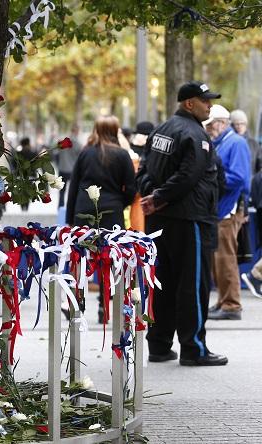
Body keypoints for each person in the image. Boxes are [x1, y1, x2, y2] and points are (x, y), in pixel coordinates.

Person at [136, 81, 227, 366]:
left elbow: (143, 169)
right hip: (190, 219)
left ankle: (159, 345)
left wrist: (153, 196)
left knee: (162, 283)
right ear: (189, 103)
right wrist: (161, 196)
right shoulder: (195, 135)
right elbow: (189, 176)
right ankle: (194, 348)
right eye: (205, 101)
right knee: (193, 285)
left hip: (160, 221)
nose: (209, 106)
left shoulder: (159, 130)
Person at [65, 116, 136, 323]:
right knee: (109, 260)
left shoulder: (85, 153)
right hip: (112, 212)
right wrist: (119, 203)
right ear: (115, 130)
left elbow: (74, 186)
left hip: (83, 210)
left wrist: (71, 217)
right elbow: (131, 188)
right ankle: (105, 305)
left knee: (80, 257)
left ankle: (76, 303)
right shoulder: (122, 155)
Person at [203, 105, 250, 321]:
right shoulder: (225, 142)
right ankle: (225, 300)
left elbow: (239, 177)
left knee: (225, 257)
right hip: (223, 208)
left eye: (211, 125)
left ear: (221, 123)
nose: (210, 129)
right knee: (220, 258)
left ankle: (231, 304)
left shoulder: (235, 143)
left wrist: (214, 180)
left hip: (229, 209)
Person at [53, 126, 82, 207]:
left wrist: (58, 165)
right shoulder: (78, 143)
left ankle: (60, 207)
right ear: (77, 131)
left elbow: (55, 154)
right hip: (73, 170)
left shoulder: (62, 142)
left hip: (62, 168)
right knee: (73, 191)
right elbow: (80, 157)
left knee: (62, 191)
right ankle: (71, 207)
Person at [229, 109, 261, 174]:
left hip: (250, 182)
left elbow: (260, 166)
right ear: (232, 125)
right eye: (237, 124)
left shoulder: (254, 144)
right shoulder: (227, 143)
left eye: (242, 123)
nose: (239, 126)